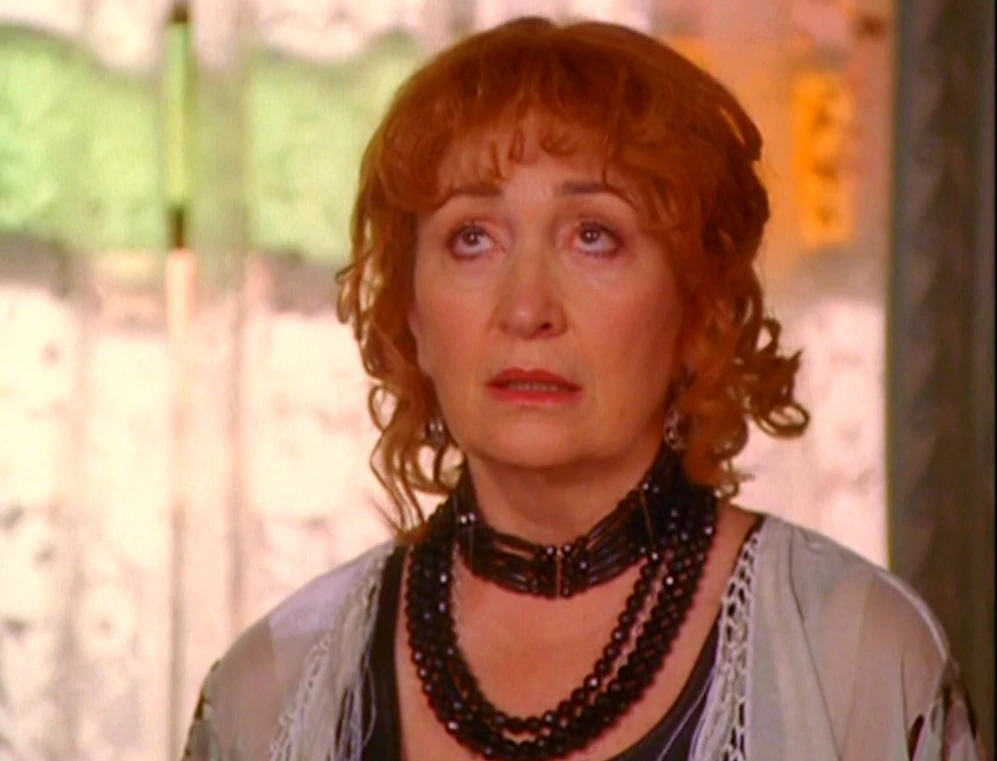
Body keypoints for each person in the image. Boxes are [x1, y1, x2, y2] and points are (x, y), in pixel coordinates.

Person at [181, 16, 985, 761]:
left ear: (697, 308)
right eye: (471, 238)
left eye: (593, 236)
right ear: (413, 315)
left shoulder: (855, 656)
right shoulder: (273, 689)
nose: (526, 308)